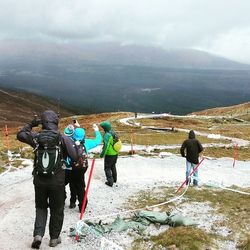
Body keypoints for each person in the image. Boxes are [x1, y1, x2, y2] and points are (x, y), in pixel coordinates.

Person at [17, 110, 78, 249]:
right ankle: (54, 238)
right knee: (57, 209)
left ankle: (38, 235)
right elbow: (74, 157)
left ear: (42, 122)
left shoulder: (36, 136)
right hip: (57, 182)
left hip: (39, 180)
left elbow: (20, 134)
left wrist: (31, 124)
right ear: (56, 122)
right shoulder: (63, 138)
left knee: (41, 207)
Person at [64, 123, 102, 212]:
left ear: (73, 134)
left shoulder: (68, 141)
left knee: (67, 184)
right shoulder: (87, 143)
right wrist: (96, 130)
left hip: (69, 169)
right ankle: (82, 207)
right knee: (80, 187)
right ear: (83, 135)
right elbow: (98, 140)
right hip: (81, 169)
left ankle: (70, 202)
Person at [100, 121, 119, 187]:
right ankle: (114, 179)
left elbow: (106, 146)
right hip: (115, 153)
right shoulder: (113, 132)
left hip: (109, 154)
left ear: (105, 128)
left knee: (107, 168)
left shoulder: (107, 135)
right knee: (113, 166)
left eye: (103, 128)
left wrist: (102, 154)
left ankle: (110, 182)